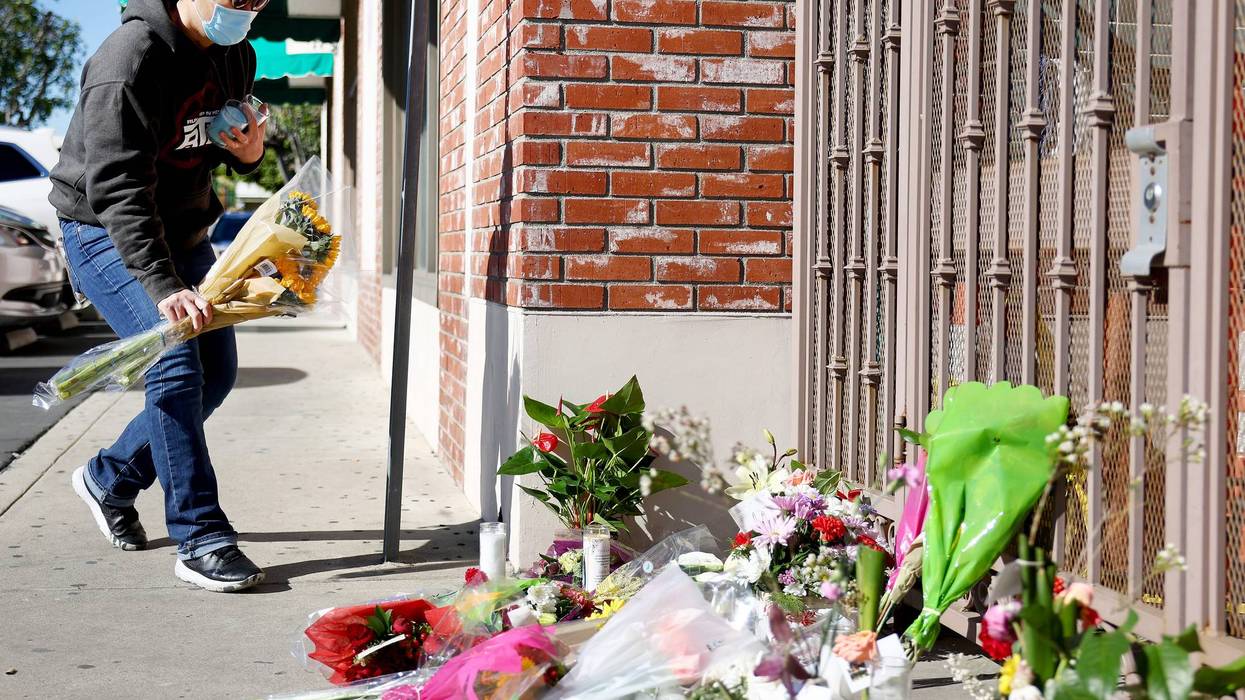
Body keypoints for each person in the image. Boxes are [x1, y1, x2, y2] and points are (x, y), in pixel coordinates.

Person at [49, 0, 271, 593]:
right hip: (104, 229)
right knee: (173, 357)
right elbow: (116, 184)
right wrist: (162, 284)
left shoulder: (235, 54)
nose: (245, 10)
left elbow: (209, 140)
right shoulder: (129, 58)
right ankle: (200, 536)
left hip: (185, 230)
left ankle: (109, 476)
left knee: (216, 375)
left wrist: (247, 152)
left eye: (257, 1)